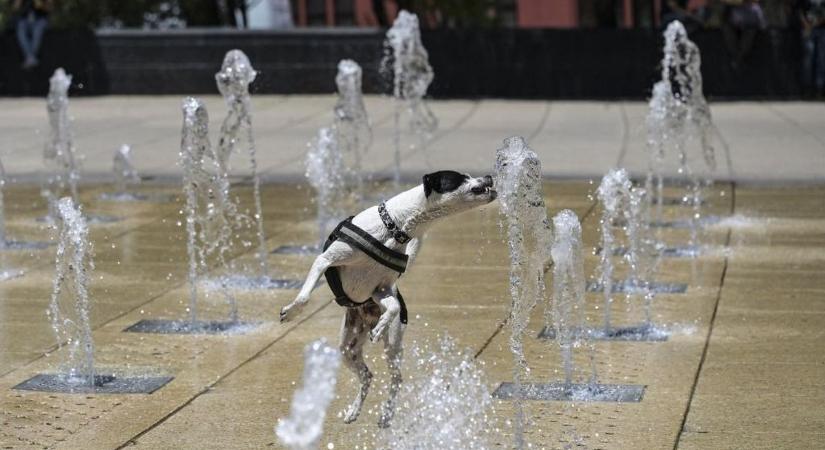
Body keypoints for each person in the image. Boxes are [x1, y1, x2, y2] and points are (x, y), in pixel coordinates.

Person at [721, 0, 768, 70]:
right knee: (727, 30)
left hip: (750, 17)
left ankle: (738, 59)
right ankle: (738, 59)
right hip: (733, 16)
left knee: (750, 32)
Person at [12, 0, 52, 69]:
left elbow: (50, 8)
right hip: (24, 20)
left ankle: (30, 58)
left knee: (37, 31)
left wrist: (41, 5)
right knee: (20, 29)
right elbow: (15, 8)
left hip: (40, 19)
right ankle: (31, 58)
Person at [797, 0, 825, 96]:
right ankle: (806, 87)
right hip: (807, 29)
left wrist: (817, 22)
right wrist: (807, 24)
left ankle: (819, 88)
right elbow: (799, 9)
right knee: (808, 58)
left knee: (821, 59)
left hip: (822, 29)